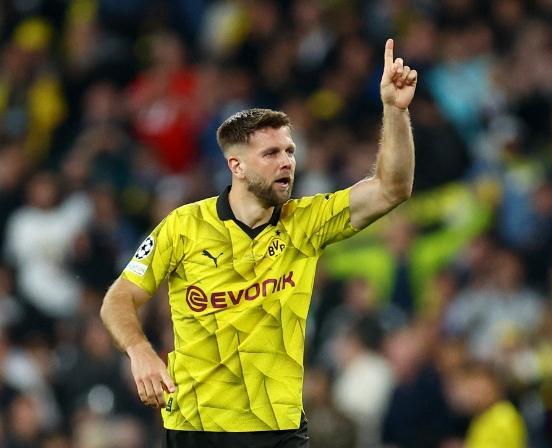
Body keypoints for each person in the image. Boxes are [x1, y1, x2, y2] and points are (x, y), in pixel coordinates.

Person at [100, 38, 417, 447]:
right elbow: (118, 298)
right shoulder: (184, 226)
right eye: (271, 153)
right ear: (236, 165)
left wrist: (394, 110)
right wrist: (140, 351)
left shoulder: (307, 222)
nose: (286, 161)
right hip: (197, 428)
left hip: (278, 428)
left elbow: (392, 188)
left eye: (290, 151)